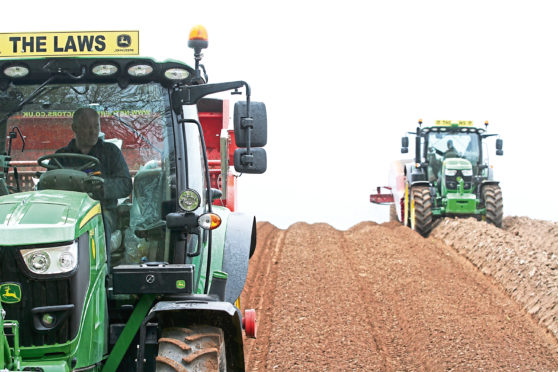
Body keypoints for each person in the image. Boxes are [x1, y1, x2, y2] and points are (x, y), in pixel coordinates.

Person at [57, 108, 133, 252]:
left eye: (96, 126)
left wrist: (103, 186)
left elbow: (125, 185)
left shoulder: (111, 152)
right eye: (87, 127)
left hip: (103, 210)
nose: (93, 131)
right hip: (67, 213)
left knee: (99, 224)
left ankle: (104, 272)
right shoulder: (61, 156)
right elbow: (50, 187)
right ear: (74, 128)